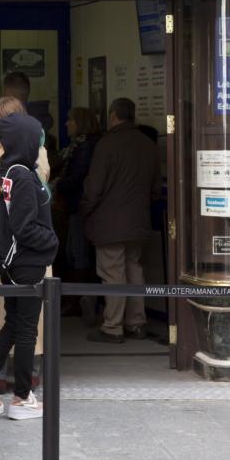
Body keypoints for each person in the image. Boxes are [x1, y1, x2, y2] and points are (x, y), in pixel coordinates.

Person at [0, 112, 58, 421]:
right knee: (26, 330)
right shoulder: (22, 175)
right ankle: (22, 397)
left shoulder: (8, 170)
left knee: (12, 325)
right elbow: (25, 226)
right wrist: (52, 241)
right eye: (37, 137)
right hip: (27, 261)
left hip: (12, 261)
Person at [81, 98, 161, 344]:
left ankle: (112, 327)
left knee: (112, 273)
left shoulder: (107, 144)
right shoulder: (148, 145)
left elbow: (94, 187)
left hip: (110, 224)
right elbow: (155, 188)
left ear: (113, 115)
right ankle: (136, 324)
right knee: (134, 270)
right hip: (138, 222)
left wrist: (85, 209)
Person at [52, 107, 102, 320]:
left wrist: (58, 184)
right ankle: (77, 300)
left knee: (77, 253)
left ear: (80, 123)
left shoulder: (84, 147)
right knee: (74, 252)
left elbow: (78, 178)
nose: (66, 124)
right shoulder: (78, 146)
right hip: (75, 207)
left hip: (80, 207)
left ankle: (79, 301)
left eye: (70, 120)